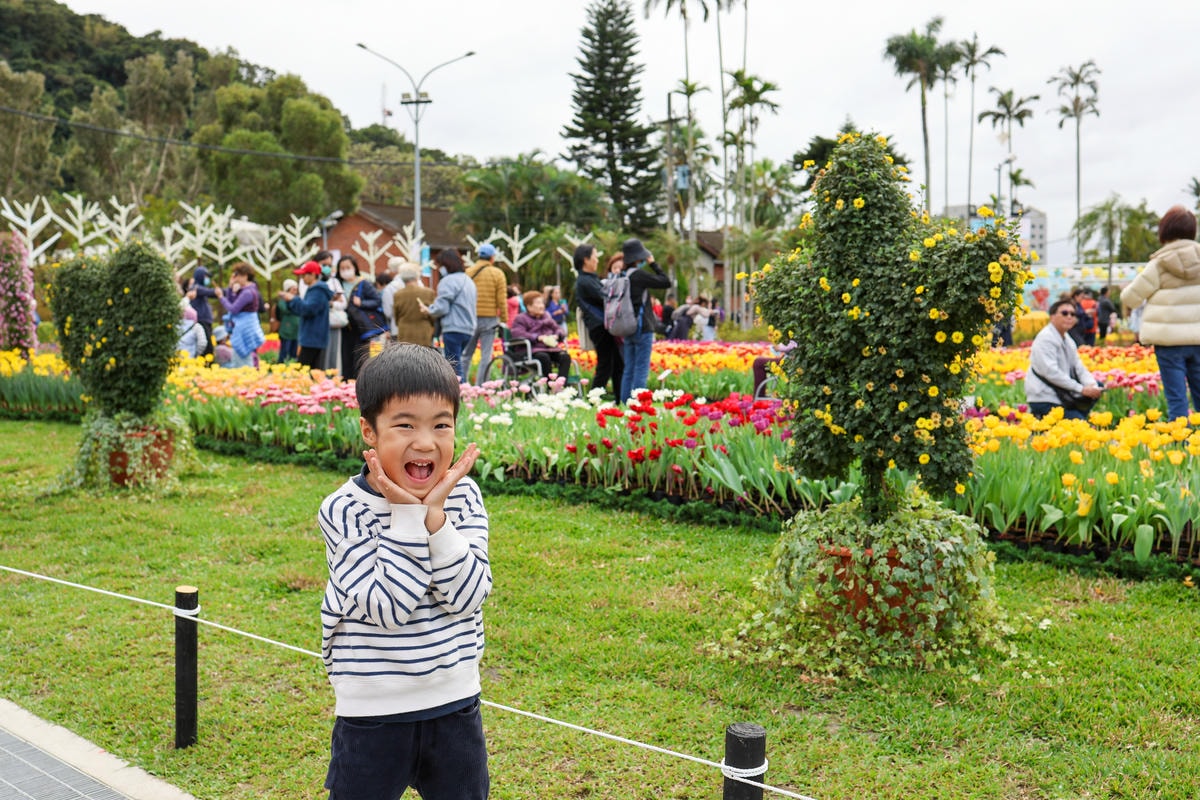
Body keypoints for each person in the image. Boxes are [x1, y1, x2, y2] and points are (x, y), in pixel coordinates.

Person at [319, 342, 489, 800]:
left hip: (455, 703)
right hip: (372, 711)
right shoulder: (344, 510)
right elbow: (389, 608)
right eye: (404, 425)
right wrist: (408, 515)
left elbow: (470, 595)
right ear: (369, 431)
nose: (425, 442)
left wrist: (436, 516)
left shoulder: (464, 498)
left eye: (441, 425)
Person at [1121, 204, 1200, 420]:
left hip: (1169, 342)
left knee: (1177, 401)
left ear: (1164, 231)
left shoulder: (1159, 264)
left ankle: (1180, 447)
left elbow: (1130, 298)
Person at [1024, 299, 1104, 420]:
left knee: (1097, 385)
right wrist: (1081, 389)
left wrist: (1091, 385)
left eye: (1073, 314)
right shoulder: (1046, 339)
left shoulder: (1067, 339)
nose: (1069, 317)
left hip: (1063, 394)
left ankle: (1079, 417)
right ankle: (1042, 419)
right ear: (1052, 316)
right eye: (1065, 313)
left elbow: (1078, 367)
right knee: (1078, 425)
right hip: (1045, 397)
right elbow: (1051, 373)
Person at [618, 238, 671, 404]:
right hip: (642, 327)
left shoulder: (622, 275)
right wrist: (653, 264)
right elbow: (665, 281)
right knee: (641, 369)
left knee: (628, 369)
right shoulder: (639, 275)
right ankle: (638, 405)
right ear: (638, 258)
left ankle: (624, 402)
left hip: (627, 327)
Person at [573, 243, 623, 398]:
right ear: (585, 260)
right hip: (599, 327)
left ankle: (619, 399)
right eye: (594, 256)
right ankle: (593, 399)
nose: (597, 259)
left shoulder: (589, 279)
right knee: (606, 365)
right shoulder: (585, 281)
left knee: (616, 364)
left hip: (602, 326)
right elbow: (605, 299)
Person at [423, 249, 477, 383]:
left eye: (440, 265)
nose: (439, 269)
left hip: (454, 327)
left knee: (453, 365)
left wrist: (429, 310)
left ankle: (461, 394)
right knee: (458, 361)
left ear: (446, 265)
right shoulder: (468, 280)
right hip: (469, 328)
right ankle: (463, 391)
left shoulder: (448, 281)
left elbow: (442, 307)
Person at [464, 243, 509, 385]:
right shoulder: (497, 273)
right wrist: (504, 319)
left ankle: (462, 384)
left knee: (466, 354)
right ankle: (482, 385)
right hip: (489, 319)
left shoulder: (469, 272)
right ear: (492, 258)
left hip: (470, 317)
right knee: (485, 355)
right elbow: (501, 300)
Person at [338, 254, 384, 381]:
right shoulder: (338, 284)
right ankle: (346, 383)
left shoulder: (363, 283)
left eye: (348, 267)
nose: (345, 270)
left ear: (354, 268)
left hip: (361, 327)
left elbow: (376, 301)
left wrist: (362, 303)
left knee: (360, 357)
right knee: (346, 356)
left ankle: (360, 382)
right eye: (342, 268)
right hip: (345, 326)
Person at [510, 290, 572, 378]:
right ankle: (550, 385)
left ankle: (560, 384)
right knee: (543, 357)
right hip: (532, 350)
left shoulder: (546, 316)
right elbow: (517, 333)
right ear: (529, 306)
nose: (542, 306)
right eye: (538, 303)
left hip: (550, 349)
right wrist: (537, 337)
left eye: (542, 303)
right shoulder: (521, 318)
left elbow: (558, 328)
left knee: (565, 357)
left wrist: (557, 335)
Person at [285, 260, 334, 370]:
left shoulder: (318, 291)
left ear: (312, 274)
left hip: (313, 337)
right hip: (312, 337)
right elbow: (303, 310)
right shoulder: (314, 290)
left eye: (304, 275)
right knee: (311, 371)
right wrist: (291, 302)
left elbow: (308, 309)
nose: (302, 278)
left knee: (305, 370)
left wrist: (294, 299)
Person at [218, 262, 266, 369]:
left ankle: (247, 379)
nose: (235, 278)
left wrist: (221, 297)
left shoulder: (248, 292)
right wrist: (230, 287)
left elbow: (233, 309)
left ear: (245, 276)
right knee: (241, 358)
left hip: (245, 329)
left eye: (237, 275)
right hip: (243, 327)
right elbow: (232, 302)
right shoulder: (247, 290)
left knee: (244, 358)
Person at [392, 261, 437, 346]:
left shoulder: (397, 294)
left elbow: (396, 317)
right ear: (417, 275)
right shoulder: (428, 292)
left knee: (405, 357)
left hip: (404, 332)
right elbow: (433, 315)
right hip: (424, 331)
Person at [184, 264, 222, 359]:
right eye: (205, 276)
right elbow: (211, 292)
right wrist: (221, 292)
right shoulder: (196, 288)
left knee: (208, 347)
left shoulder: (200, 288)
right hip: (201, 322)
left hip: (205, 322)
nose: (207, 279)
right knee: (207, 347)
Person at [275, 279, 301, 363]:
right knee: (285, 351)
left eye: (296, 289)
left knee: (294, 353)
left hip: (296, 331)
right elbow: (286, 310)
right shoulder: (282, 301)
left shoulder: (298, 299)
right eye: (293, 289)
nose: (295, 291)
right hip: (286, 331)